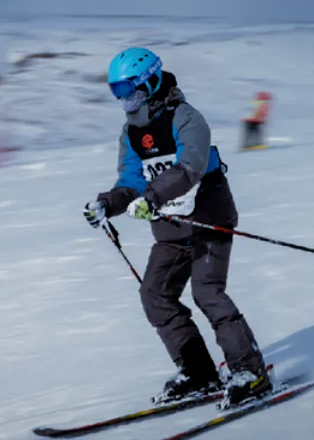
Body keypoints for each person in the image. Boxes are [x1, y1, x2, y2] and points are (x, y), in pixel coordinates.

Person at [82, 47, 270, 407]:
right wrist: (107, 204)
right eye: (116, 91)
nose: (124, 99)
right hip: (170, 230)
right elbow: (132, 181)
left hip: (208, 221)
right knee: (155, 295)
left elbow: (190, 169)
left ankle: (251, 372)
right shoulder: (131, 132)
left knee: (207, 292)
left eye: (129, 89)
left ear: (150, 81)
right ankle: (198, 371)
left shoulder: (186, 118)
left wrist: (152, 197)